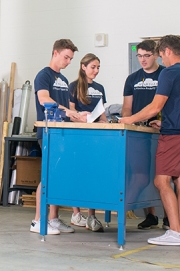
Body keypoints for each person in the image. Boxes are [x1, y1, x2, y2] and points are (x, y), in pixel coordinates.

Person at [119, 35, 180, 246]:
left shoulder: (170, 72)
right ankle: (178, 230)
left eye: (160, 55)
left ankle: (175, 233)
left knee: (160, 181)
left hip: (174, 135)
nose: (162, 60)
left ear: (165, 51)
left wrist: (129, 119)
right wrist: (166, 123)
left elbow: (155, 107)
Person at [29, 39, 87, 235]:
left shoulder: (62, 80)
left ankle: (52, 219)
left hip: (63, 133)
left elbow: (67, 108)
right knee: (47, 175)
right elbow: (44, 99)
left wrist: (79, 115)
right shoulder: (44, 75)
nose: (68, 61)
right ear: (55, 53)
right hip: (48, 132)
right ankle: (37, 220)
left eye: (71, 58)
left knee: (58, 176)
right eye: (66, 57)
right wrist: (67, 112)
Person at [122, 40, 169, 230]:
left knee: (164, 176)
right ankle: (151, 216)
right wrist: (129, 122)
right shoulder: (132, 79)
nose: (143, 59)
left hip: (162, 132)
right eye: (139, 56)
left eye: (147, 56)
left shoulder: (166, 74)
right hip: (138, 133)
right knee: (142, 174)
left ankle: (168, 217)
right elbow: (127, 108)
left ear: (156, 55)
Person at [68, 53, 107, 232]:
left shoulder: (100, 87)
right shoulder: (74, 86)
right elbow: (71, 112)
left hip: (95, 136)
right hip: (79, 135)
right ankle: (76, 213)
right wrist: (82, 119)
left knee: (94, 172)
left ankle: (92, 215)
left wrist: (104, 123)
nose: (96, 71)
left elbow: (103, 114)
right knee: (77, 172)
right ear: (83, 67)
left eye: (98, 67)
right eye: (93, 67)